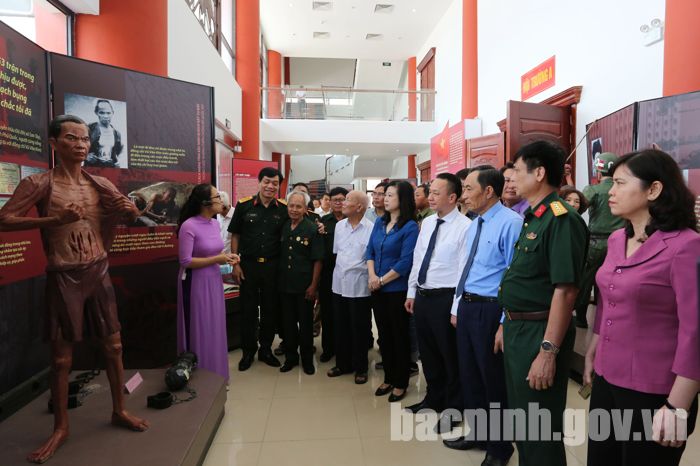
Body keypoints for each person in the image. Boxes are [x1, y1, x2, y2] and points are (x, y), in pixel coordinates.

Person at [0, 115, 148, 464]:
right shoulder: (39, 184)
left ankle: (119, 410)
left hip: (98, 270)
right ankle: (61, 427)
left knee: (113, 345)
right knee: (62, 357)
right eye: (71, 138)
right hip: (64, 274)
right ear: (54, 144)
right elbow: (3, 220)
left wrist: (129, 210)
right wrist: (53, 220)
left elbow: (128, 216)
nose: (81, 144)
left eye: (84, 138)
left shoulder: (99, 184)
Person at [583, 149, 700, 466]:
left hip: (655, 391)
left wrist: (678, 405)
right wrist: (594, 347)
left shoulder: (685, 245)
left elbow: (695, 330)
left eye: (620, 183)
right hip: (608, 379)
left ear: (654, 189)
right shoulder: (616, 239)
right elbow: (609, 297)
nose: (611, 191)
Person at [498, 140, 588, 466]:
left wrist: (548, 351)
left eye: (517, 172)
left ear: (539, 173)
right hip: (518, 328)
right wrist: (506, 323)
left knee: (539, 427)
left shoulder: (561, 218)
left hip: (540, 333)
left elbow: (565, 291)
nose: (511, 179)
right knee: (524, 423)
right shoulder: (534, 216)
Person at [443, 166, 522, 466]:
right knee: (470, 375)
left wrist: (504, 322)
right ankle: (479, 433)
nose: (463, 195)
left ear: (489, 191)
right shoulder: (474, 223)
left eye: (467, 189)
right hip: (468, 306)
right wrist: (458, 306)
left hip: (491, 309)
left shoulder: (511, 223)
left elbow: (513, 275)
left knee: (493, 381)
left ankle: (500, 448)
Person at [404, 173, 471, 432]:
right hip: (423, 296)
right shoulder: (428, 222)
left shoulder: (465, 227)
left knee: (449, 356)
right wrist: (412, 292)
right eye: (429, 192)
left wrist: (456, 308)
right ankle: (434, 397)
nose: (430, 197)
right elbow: (418, 258)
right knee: (428, 353)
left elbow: (464, 270)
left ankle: (454, 408)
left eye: (436, 193)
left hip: (446, 298)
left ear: (452, 197)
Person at [177, 184, 239, 382]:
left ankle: (218, 375)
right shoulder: (189, 226)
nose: (221, 200)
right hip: (196, 283)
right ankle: (201, 376)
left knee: (215, 326)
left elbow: (215, 252)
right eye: (217, 197)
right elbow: (186, 261)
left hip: (213, 280)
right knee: (200, 326)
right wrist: (216, 260)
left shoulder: (214, 223)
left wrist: (227, 257)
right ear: (205, 203)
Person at [228, 167, 288, 371]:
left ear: (279, 186)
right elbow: (234, 235)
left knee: (270, 310)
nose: (271, 186)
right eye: (267, 182)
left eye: (275, 183)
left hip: (273, 266)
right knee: (248, 310)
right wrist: (235, 263)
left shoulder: (283, 208)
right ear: (259, 182)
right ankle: (247, 352)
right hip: (248, 266)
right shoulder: (244, 206)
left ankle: (265, 350)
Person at [366, 180, 419, 402]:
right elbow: (369, 251)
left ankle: (400, 381)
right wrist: (372, 277)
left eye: (390, 195)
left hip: (396, 290)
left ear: (403, 199)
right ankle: (388, 377)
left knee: (399, 336)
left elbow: (405, 262)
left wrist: (381, 280)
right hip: (377, 289)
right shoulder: (380, 222)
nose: (385, 199)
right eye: (384, 195)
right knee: (384, 337)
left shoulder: (410, 227)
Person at [327, 191, 374, 383]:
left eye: (348, 200)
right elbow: (337, 252)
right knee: (341, 326)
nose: (343, 203)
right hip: (339, 284)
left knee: (359, 328)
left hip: (359, 286)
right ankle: (342, 364)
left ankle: (361, 368)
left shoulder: (371, 228)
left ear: (359, 207)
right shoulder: (339, 226)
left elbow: (371, 258)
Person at [574, 152, 624, 328]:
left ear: (598, 170)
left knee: (585, 280)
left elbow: (576, 208)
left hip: (595, 242)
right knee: (612, 282)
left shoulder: (593, 189)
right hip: (620, 243)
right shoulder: (622, 189)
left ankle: (580, 317)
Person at [278, 190, 324, 375]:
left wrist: (313, 286)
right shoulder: (283, 226)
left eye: (299, 206)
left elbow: (318, 260)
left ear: (306, 209)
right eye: (291, 206)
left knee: (305, 326)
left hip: (305, 286)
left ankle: (307, 360)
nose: (294, 209)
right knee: (287, 324)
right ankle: (290, 358)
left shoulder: (313, 229)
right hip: (284, 285)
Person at [318, 187, 348, 362]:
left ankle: (346, 347)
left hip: (349, 274)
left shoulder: (354, 220)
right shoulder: (323, 222)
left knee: (346, 313)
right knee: (328, 313)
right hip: (328, 274)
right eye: (334, 199)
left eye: (341, 199)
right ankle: (328, 349)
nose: (338, 202)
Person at [86, 99, 123, 168]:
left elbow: (118, 152)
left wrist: (117, 162)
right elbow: (78, 145)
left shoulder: (116, 133)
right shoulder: (89, 128)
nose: (105, 116)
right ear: (96, 112)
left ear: (113, 113)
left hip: (109, 168)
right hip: (92, 168)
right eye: (102, 112)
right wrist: (85, 156)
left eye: (108, 113)